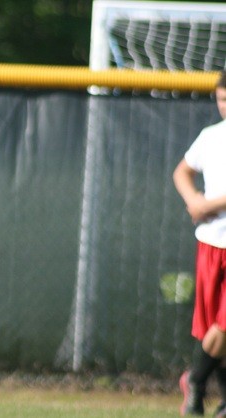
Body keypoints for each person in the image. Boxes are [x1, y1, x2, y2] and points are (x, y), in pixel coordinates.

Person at [173, 69, 226, 416]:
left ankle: (195, 378)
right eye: (222, 99)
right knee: (214, 330)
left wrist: (210, 203)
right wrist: (194, 200)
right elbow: (182, 171)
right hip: (212, 244)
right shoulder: (211, 136)